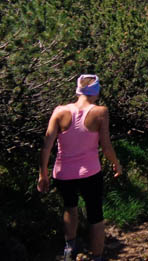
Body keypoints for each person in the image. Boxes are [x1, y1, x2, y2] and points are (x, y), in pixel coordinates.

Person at [37, 74, 122, 261]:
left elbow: (47, 145)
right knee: (95, 215)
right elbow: (106, 147)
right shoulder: (100, 112)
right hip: (90, 172)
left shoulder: (59, 111)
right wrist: (116, 163)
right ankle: (97, 257)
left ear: (78, 89)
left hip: (62, 173)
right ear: (97, 91)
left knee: (70, 207)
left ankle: (70, 248)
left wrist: (42, 174)